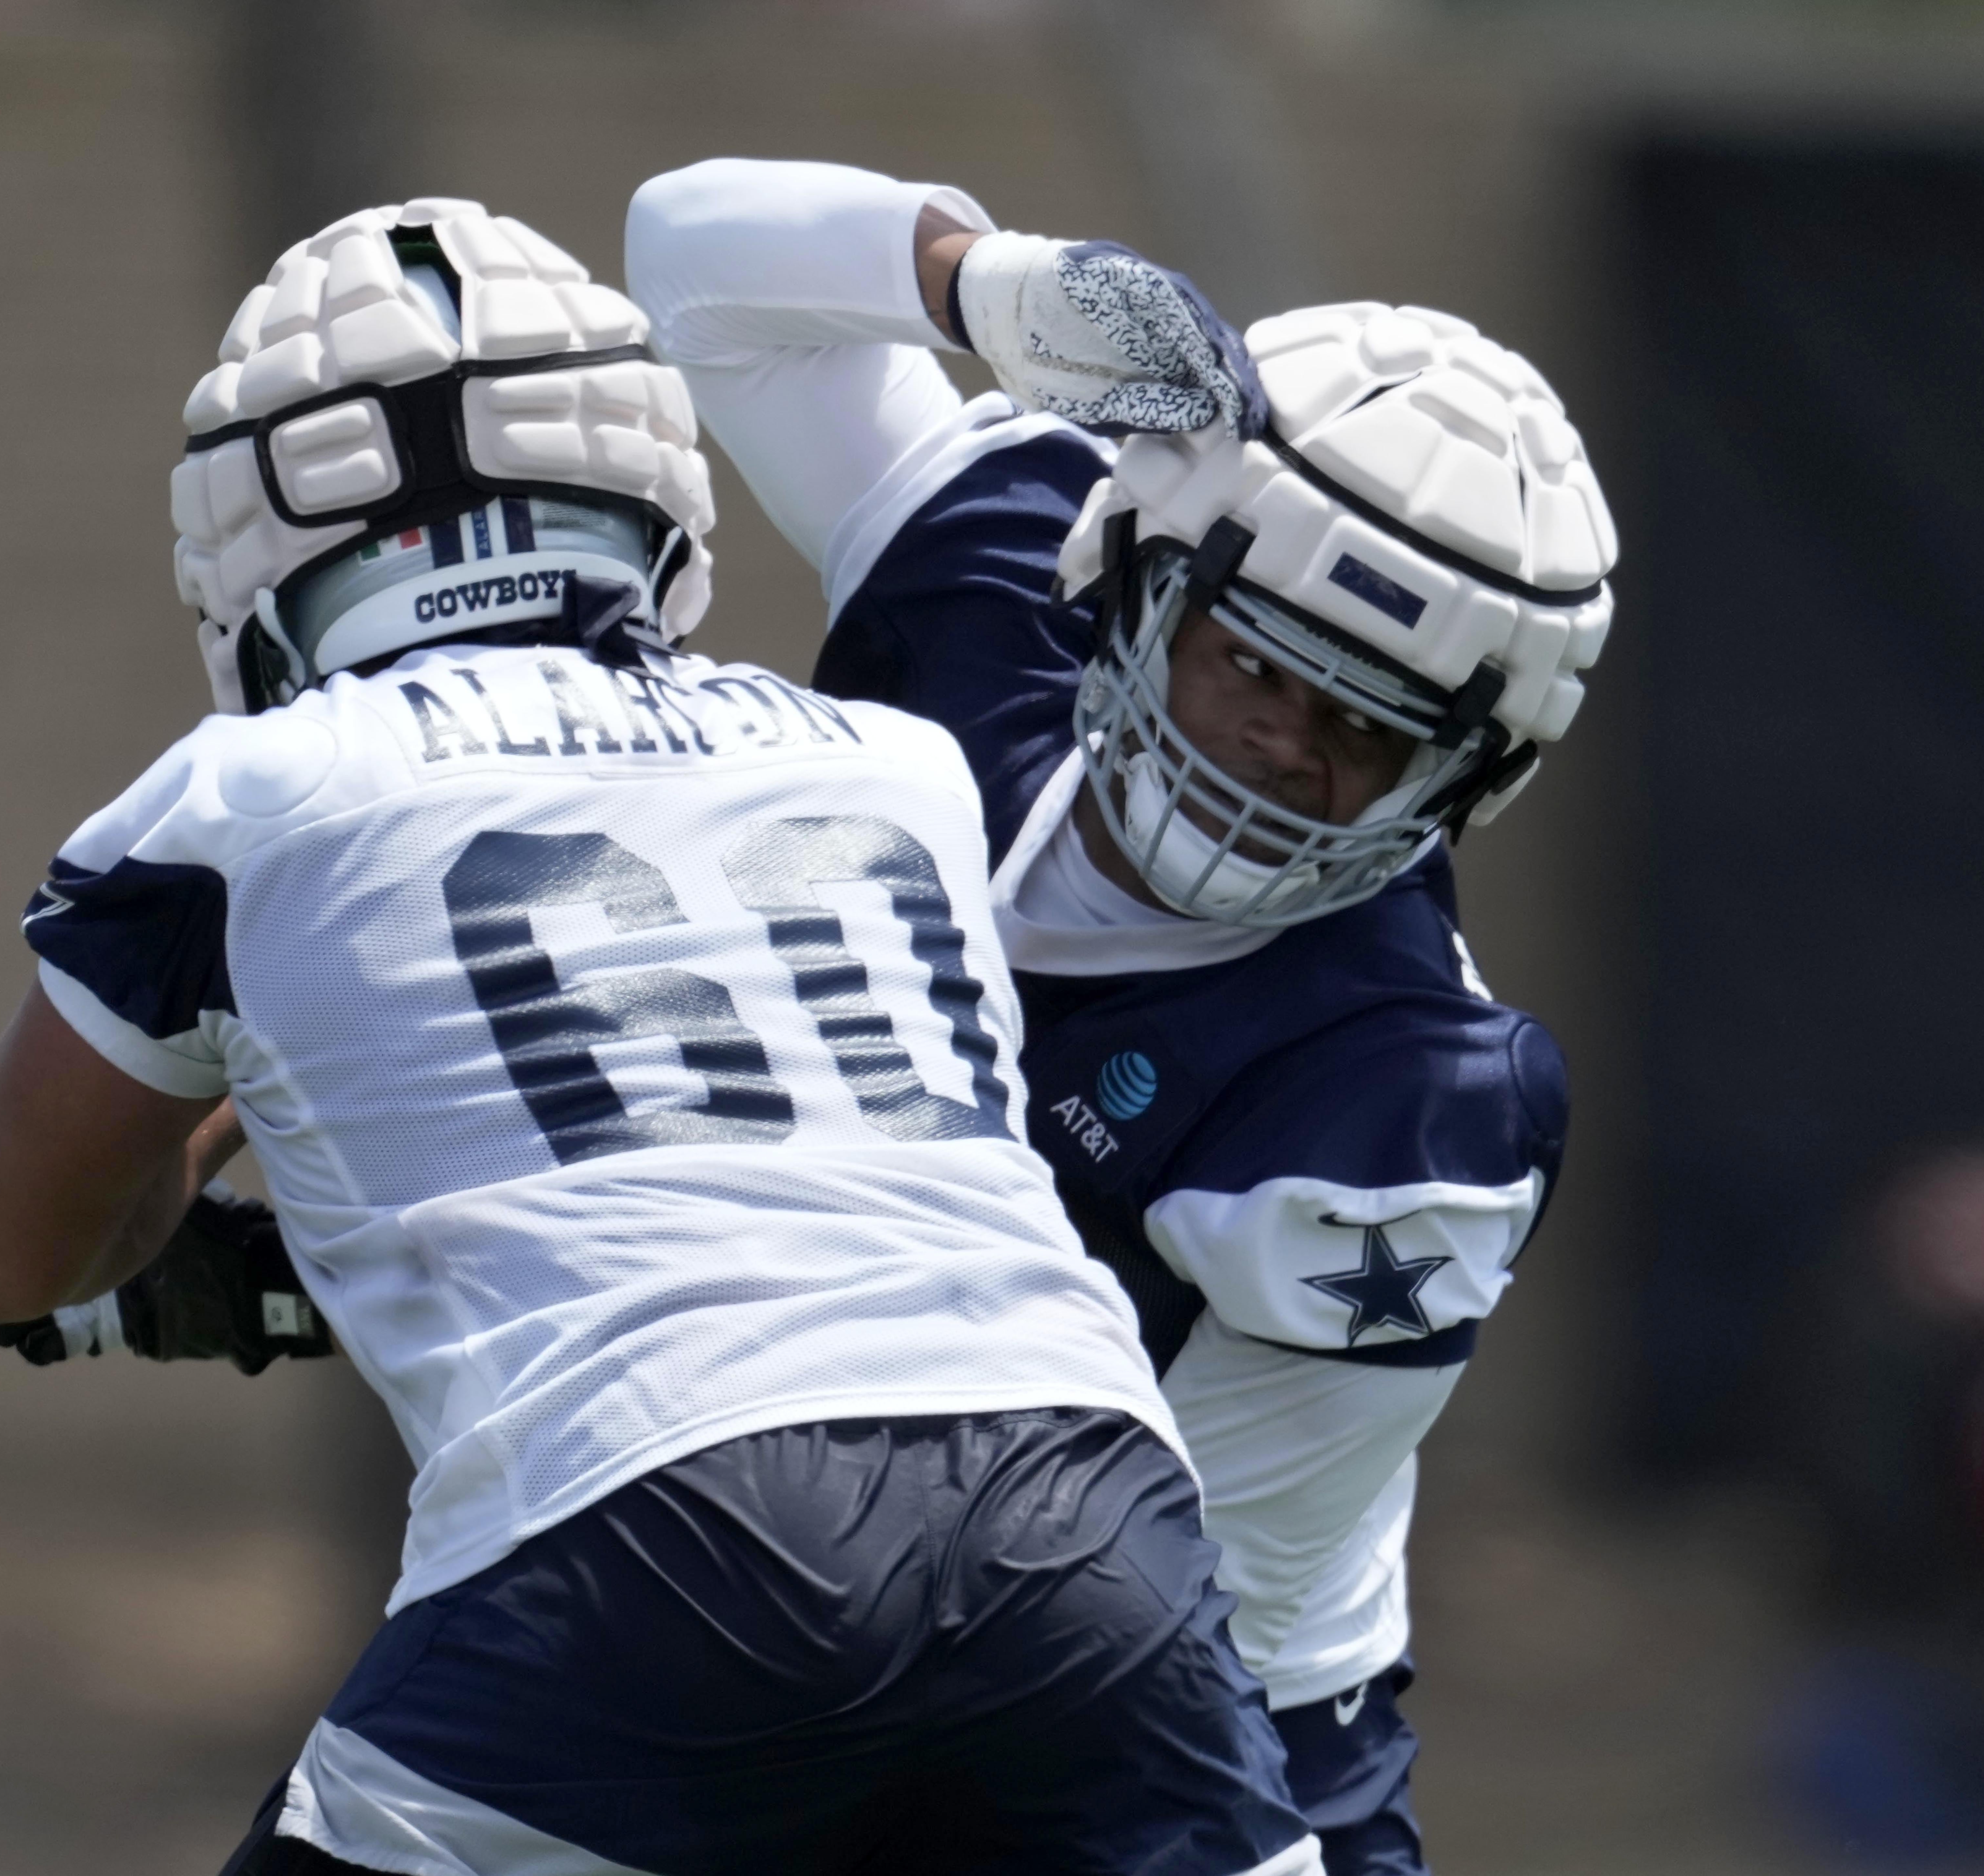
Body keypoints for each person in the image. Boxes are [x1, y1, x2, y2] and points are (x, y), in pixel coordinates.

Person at [0, 196, 1329, 1876]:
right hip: (1088, 1511)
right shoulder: (890, 763)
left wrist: (194, 1236)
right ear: (651, 496)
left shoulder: (246, 802)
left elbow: (9, 1257)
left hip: (649, 1523)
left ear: (259, 556)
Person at [624, 158, 1617, 1874]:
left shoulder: (1402, 1099)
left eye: (1370, 730)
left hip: (1175, 1750)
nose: (1290, 749)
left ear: (1468, 781)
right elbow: (688, 264)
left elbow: (1122, 1593)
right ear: (1137, 568)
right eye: (1260, 665)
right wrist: (980, 290)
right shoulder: (1003, 568)